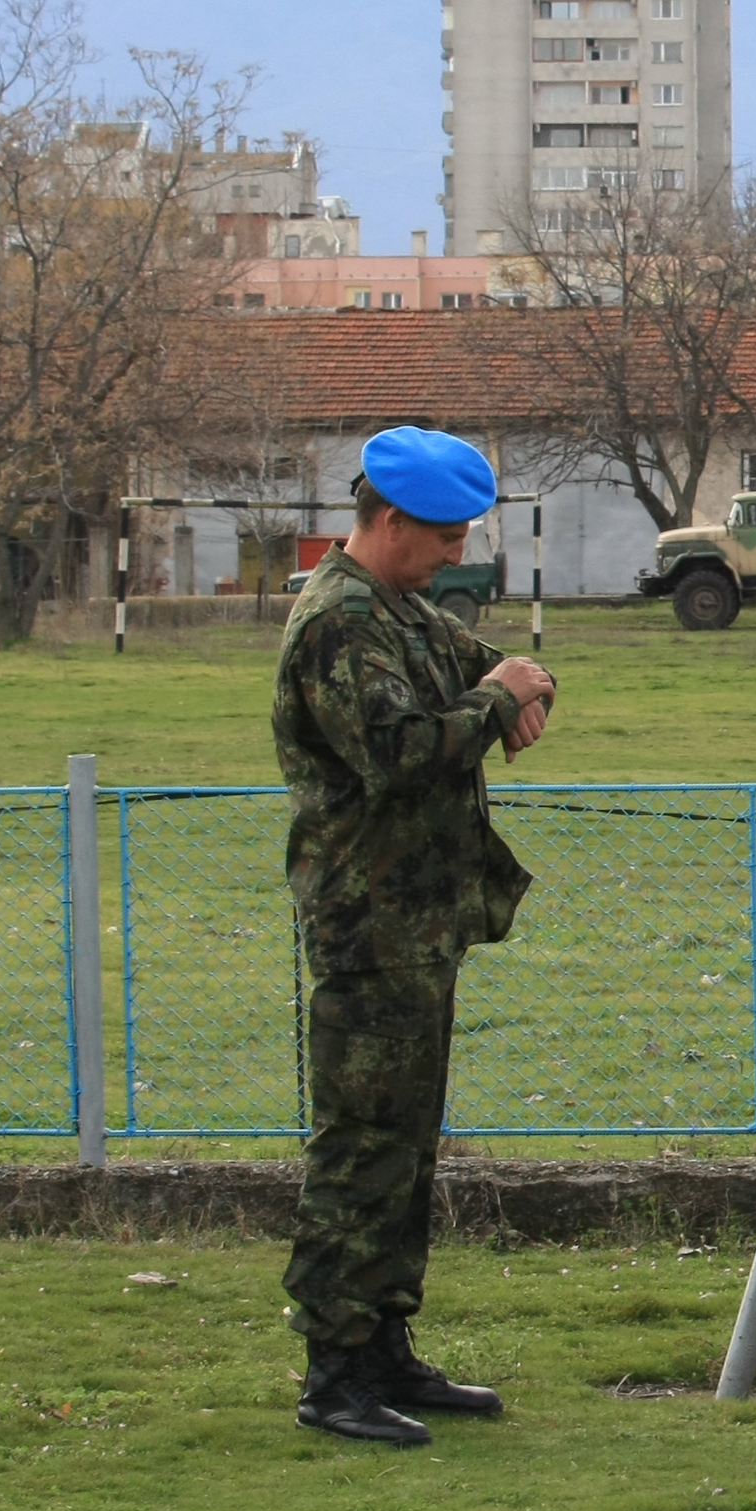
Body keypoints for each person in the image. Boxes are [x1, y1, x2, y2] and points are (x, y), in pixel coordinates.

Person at [273, 426, 557, 1445]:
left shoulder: (400, 613)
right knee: (359, 1149)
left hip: (419, 923)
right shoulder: (337, 626)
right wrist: (494, 703)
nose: (455, 555)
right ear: (388, 521)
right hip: (368, 923)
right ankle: (334, 1368)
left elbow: (492, 666)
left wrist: (515, 689)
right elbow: (396, 749)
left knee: (407, 1149)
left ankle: (385, 1344)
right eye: (441, 537)